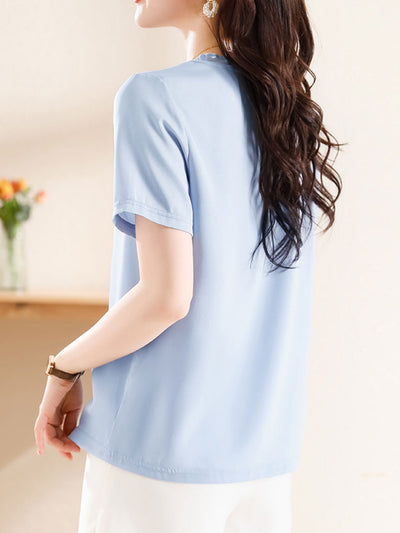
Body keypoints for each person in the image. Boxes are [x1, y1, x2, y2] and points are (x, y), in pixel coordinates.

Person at [34, 0, 343, 531]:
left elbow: (166, 298)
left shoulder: (153, 97)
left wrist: (64, 367)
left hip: (158, 454)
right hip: (264, 466)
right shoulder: (287, 115)